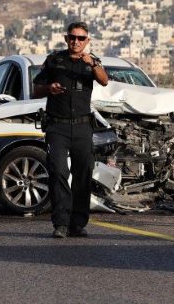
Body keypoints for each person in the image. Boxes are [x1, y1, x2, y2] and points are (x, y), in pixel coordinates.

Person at [32, 21, 108, 238]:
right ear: (66, 39)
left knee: (83, 173)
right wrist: (49, 88)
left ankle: (78, 222)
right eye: (72, 37)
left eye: (81, 38)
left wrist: (92, 63)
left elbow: (104, 80)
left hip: (83, 126)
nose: (76, 42)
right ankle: (61, 223)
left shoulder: (92, 62)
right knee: (58, 171)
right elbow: (35, 90)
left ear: (87, 40)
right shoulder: (54, 60)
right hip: (58, 126)